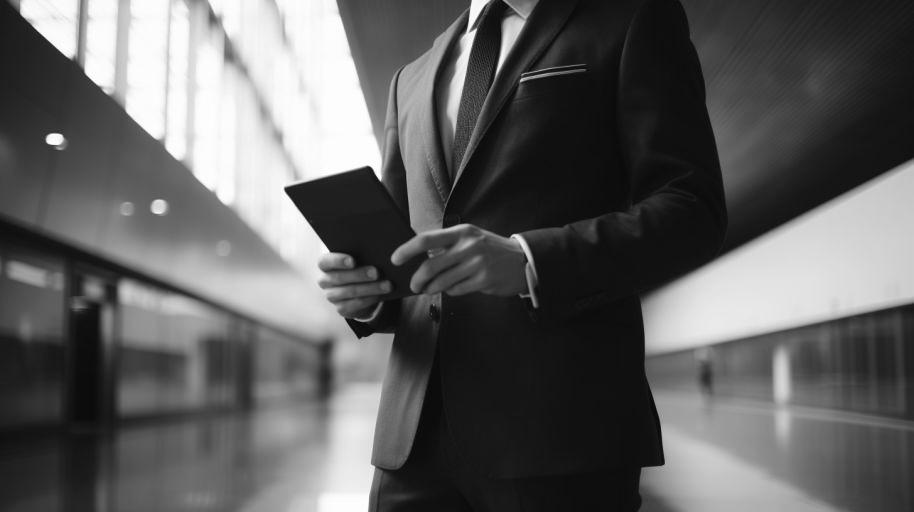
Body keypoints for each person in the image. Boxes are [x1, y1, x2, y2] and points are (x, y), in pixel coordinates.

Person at [316, 0, 727, 509]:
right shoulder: (410, 78)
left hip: (561, 433)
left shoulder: (633, 18)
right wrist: (370, 294)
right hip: (411, 439)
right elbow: (406, 252)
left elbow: (692, 209)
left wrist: (528, 261)